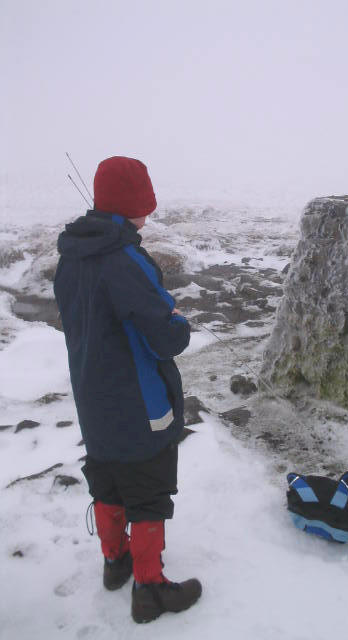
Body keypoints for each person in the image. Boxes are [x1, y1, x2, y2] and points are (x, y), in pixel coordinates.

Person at [54, 156, 201, 624]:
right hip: (141, 406)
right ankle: (150, 589)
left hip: (93, 402)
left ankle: (114, 563)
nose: (148, 215)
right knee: (147, 492)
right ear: (131, 206)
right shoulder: (125, 259)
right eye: (144, 205)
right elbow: (163, 335)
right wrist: (178, 324)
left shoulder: (71, 257)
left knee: (109, 480)